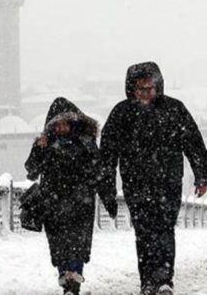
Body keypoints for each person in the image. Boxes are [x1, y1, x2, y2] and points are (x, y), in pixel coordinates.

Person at [99, 62, 207, 295]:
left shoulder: (174, 109)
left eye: (150, 88)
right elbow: (107, 153)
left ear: (158, 87)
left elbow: (193, 143)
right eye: (141, 89)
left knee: (164, 229)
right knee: (144, 232)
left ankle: (164, 279)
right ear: (132, 89)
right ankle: (148, 281)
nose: (146, 94)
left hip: (168, 182)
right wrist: (107, 187)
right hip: (135, 183)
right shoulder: (122, 113)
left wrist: (201, 175)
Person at [25, 97, 118, 295]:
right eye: (57, 124)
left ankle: (73, 278)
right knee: (59, 244)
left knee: (78, 242)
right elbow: (32, 170)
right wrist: (38, 149)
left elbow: (100, 173)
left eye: (65, 123)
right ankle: (66, 277)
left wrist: (109, 199)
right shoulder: (46, 145)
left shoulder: (86, 144)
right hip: (53, 202)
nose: (62, 128)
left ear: (74, 123)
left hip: (80, 202)